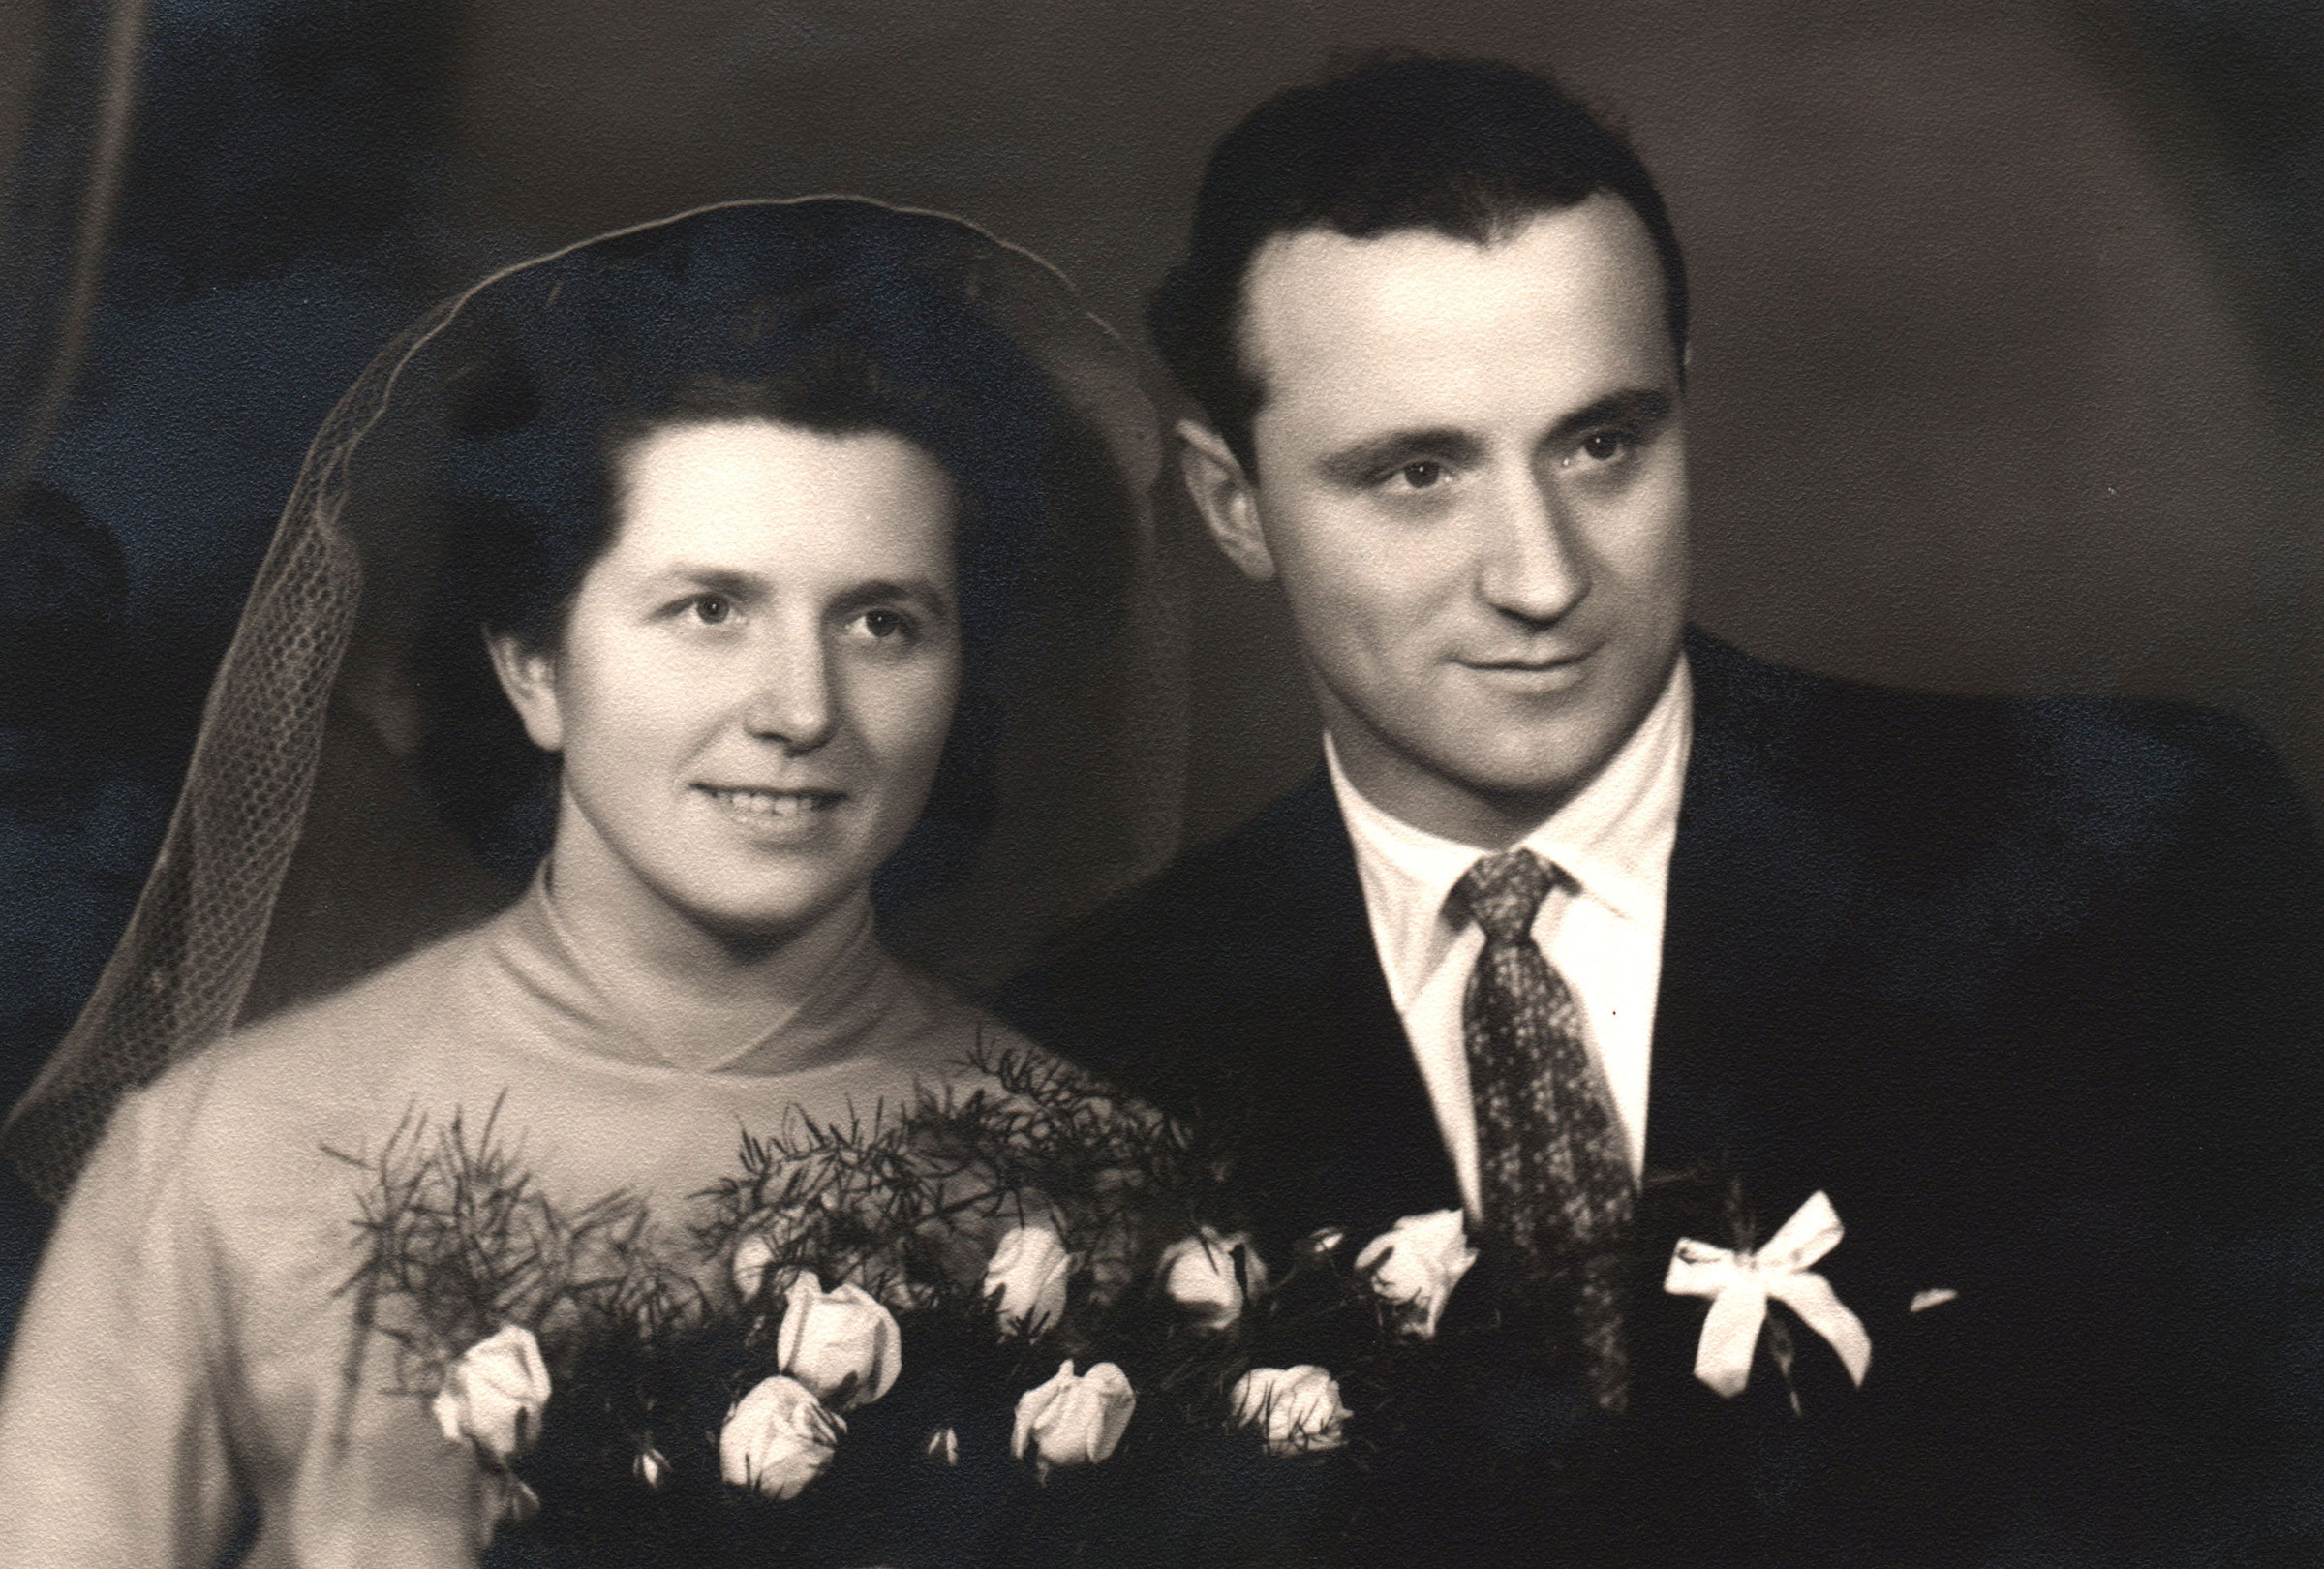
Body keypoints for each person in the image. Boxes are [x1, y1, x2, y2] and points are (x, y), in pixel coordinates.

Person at [995, 55, 2324, 1565]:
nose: (1542, 575)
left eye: (1601, 443)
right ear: (1235, 506)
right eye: (1418, 473)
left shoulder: (2128, 845)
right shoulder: (1091, 1044)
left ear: (1684, 405)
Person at [0, 199, 1177, 1566]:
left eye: (880, 622)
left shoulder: (1098, 1180)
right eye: (709, 610)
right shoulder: (230, 1149)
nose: (801, 709)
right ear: (534, 665)